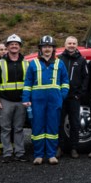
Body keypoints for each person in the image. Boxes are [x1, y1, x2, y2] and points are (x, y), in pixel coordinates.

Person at [22, 36, 69, 165]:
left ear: (53, 49)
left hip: (54, 101)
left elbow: (65, 81)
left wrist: (62, 96)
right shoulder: (33, 64)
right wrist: (26, 99)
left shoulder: (60, 63)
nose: (47, 49)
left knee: (52, 128)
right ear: (40, 49)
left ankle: (51, 155)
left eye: (49, 46)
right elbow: (28, 83)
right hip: (37, 101)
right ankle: (38, 155)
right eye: (44, 47)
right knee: (37, 128)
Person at [0, 34, 29, 162]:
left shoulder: (26, 63)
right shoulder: (1, 63)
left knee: (18, 128)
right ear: (7, 47)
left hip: (21, 100)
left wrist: (29, 99)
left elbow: (29, 83)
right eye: (11, 44)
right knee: (5, 128)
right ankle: (7, 153)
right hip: (5, 100)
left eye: (16, 44)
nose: (14, 46)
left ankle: (19, 153)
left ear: (20, 47)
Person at [58, 36, 90, 159]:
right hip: (61, 97)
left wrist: (79, 94)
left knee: (75, 123)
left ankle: (74, 148)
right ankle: (59, 148)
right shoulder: (59, 59)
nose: (71, 45)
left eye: (74, 43)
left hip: (74, 97)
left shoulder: (81, 60)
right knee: (59, 123)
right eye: (69, 43)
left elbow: (86, 78)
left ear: (77, 45)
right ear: (65, 44)